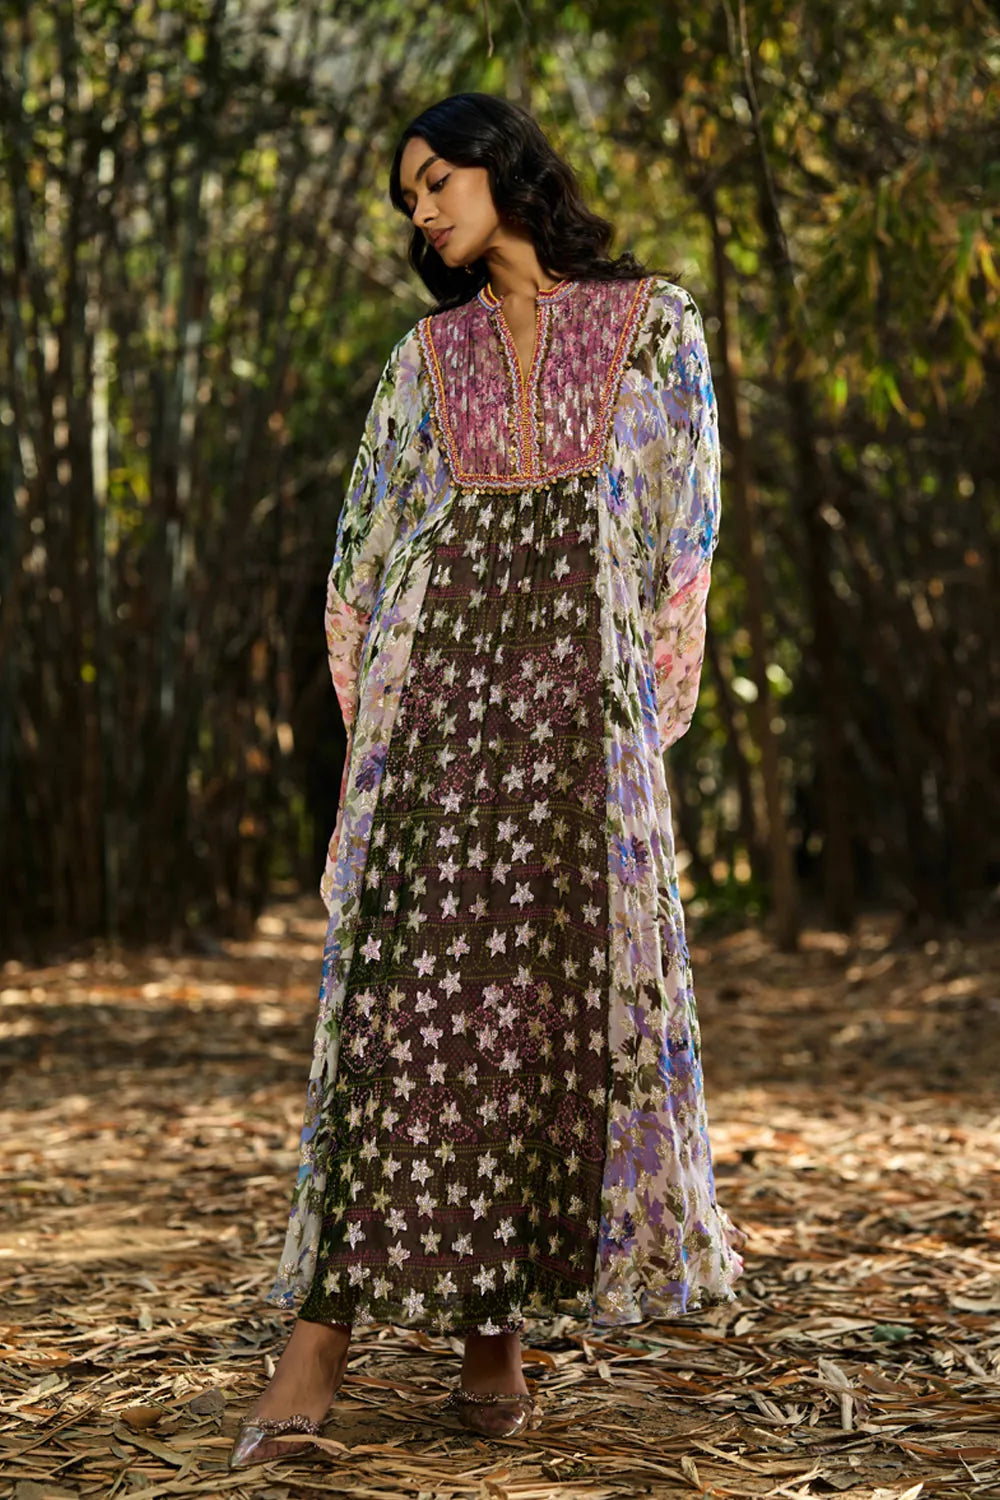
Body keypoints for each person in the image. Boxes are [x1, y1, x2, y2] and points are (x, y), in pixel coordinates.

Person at [230, 90, 746, 1468]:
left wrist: (637, 718)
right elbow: (364, 549)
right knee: (405, 1003)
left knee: (538, 1013)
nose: (421, 211)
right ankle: (317, 1340)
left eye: (435, 180)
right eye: (407, 196)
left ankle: (491, 1339)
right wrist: (375, 729)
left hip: (578, 717)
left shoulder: (654, 324)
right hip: (440, 709)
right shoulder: (425, 356)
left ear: (504, 169)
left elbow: (683, 534)